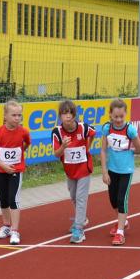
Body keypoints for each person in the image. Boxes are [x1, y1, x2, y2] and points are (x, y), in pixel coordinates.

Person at [52, 99, 96, 244]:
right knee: (73, 197)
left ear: (74, 115)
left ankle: (79, 229)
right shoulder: (57, 132)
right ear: (60, 116)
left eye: (70, 113)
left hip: (84, 168)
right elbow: (56, 154)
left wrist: (87, 146)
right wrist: (63, 147)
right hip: (70, 170)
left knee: (81, 197)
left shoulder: (83, 128)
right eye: (64, 113)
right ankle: (82, 219)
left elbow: (93, 133)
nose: (68, 116)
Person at [0, 99, 31, 245]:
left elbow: (27, 143)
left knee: (14, 199)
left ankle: (15, 230)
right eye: (14, 115)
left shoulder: (24, 132)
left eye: (19, 115)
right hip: (1, 171)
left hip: (15, 171)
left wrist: (19, 155)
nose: (17, 118)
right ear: (5, 116)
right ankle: (6, 226)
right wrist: (3, 165)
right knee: (3, 199)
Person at [100, 98, 140, 246]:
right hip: (112, 169)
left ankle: (120, 232)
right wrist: (104, 172)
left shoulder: (130, 130)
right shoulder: (107, 128)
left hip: (126, 170)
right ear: (110, 115)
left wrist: (129, 150)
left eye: (121, 117)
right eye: (115, 117)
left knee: (121, 199)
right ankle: (123, 222)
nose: (118, 120)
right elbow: (103, 150)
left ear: (125, 114)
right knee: (113, 200)